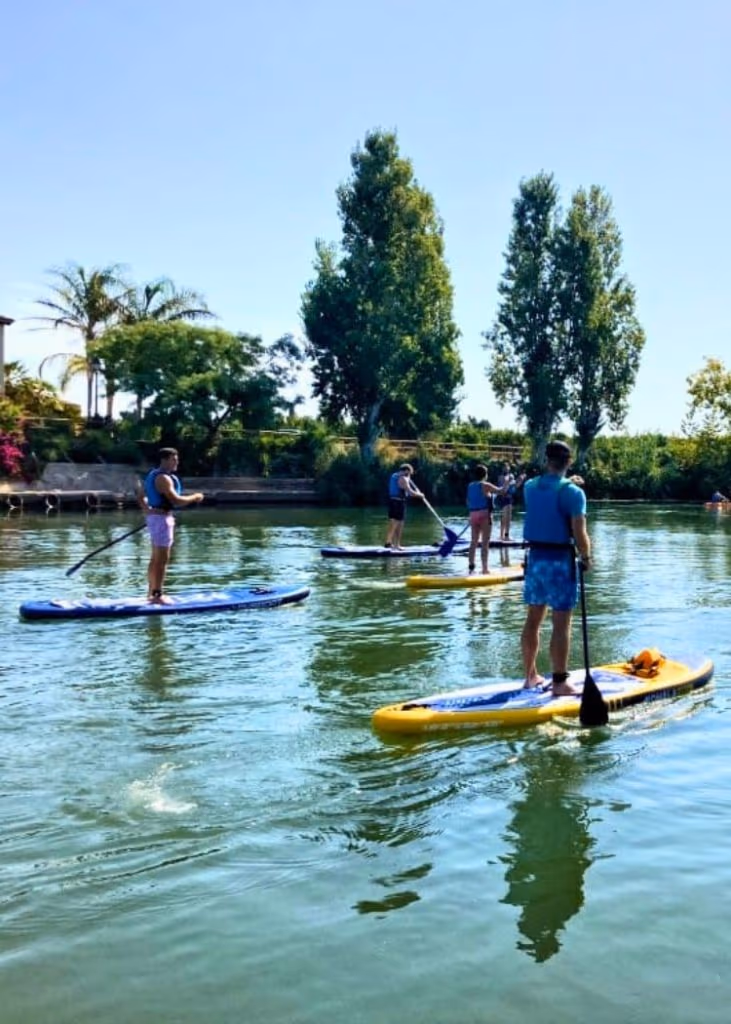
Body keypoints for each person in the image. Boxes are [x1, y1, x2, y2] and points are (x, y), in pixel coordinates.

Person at [520, 440, 592, 696]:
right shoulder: (574, 493)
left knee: (533, 619)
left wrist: (568, 482)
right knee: (561, 624)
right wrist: (586, 556)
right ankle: (560, 683)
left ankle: (530, 677)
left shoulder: (529, 487)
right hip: (560, 561)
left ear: (546, 459)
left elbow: (548, 491)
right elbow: (579, 532)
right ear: (569, 461)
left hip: (535, 559)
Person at [141, 448, 204, 603]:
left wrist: (147, 510)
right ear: (165, 460)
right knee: (162, 559)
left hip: (156, 518)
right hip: (161, 520)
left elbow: (140, 495)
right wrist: (195, 497)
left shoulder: (152, 474)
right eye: (174, 459)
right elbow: (176, 500)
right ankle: (157, 596)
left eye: (177, 459)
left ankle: (151, 593)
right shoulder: (163, 478)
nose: (177, 462)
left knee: (155, 558)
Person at [466, 464, 507, 574]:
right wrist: (507, 482)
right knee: (485, 543)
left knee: (473, 541)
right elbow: (501, 491)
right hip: (485, 515)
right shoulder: (485, 485)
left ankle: (471, 567)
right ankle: (485, 569)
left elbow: (468, 501)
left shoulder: (470, 486)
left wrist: (472, 514)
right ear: (485, 475)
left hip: (473, 515)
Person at [384, 463, 424, 548]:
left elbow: (403, 486)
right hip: (399, 503)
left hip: (392, 501)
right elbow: (410, 493)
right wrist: (420, 495)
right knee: (399, 523)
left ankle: (388, 542)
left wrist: (408, 479)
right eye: (409, 473)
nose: (409, 475)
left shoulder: (394, 475)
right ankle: (397, 545)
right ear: (406, 471)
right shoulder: (403, 478)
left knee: (393, 522)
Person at [495, 462, 527, 541]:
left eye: (507, 467)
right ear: (502, 468)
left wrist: (520, 480)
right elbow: (504, 487)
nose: (506, 468)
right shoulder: (500, 477)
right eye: (504, 467)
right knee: (506, 517)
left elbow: (515, 486)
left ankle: (503, 535)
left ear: (509, 468)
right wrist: (511, 481)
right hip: (503, 497)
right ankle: (505, 536)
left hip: (509, 497)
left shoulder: (511, 476)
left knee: (506, 517)